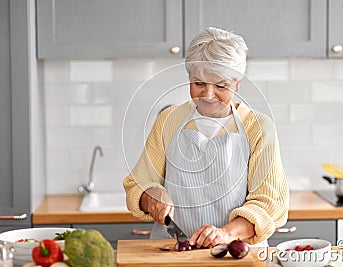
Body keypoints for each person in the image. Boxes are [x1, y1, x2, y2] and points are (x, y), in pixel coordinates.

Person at [123, 27, 289, 248]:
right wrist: (152, 196)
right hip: (171, 253)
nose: (208, 96)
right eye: (199, 83)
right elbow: (138, 184)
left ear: (237, 83)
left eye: (221, 86)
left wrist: (226, 233)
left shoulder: (257, 127)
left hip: (237, 254)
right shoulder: (168, 120)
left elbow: (270, 204)